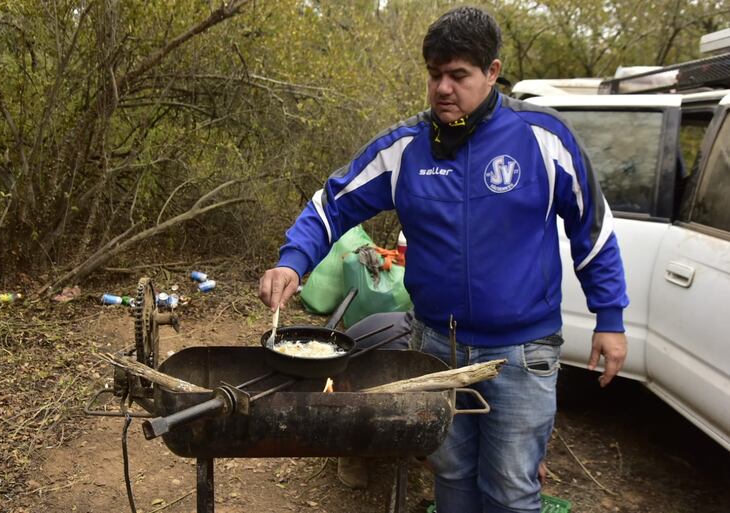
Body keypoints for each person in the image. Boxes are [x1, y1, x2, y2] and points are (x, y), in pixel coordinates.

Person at [259, 6, 628, 513]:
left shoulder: (543, 137)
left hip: (521, 353)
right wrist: (292, 261)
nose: (443, 89)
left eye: (458, 75)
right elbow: (333, 203)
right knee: (450, 476)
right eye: (435, 75)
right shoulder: (406, 148)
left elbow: (593, 228)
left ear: (492, 72)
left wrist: (610, 316)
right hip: (436, 346)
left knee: (511, 489)